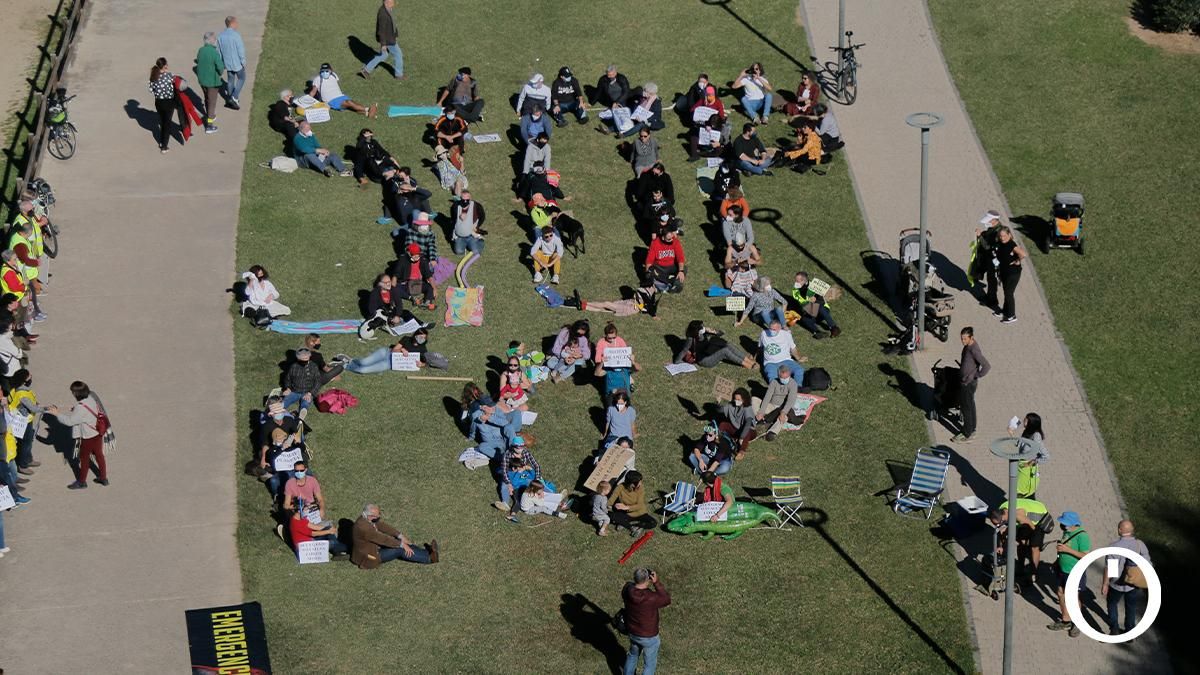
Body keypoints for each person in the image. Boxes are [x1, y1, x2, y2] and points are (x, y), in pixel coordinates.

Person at [47, 381, 109, 490]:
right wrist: (76, 409)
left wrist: (57, 414)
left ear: (76, 394)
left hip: (87, 437)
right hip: (97, 433)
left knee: (84, 459)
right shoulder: (91, 398)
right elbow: (86, 412)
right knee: (99, 455)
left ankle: (82, 482)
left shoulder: (80, 407)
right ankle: (103, 478)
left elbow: (70, 421)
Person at [1102, 520, 1151, 636]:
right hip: (1133, 584)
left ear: (1119, 530)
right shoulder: (1140, 544)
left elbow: (1111, 568)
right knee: (1131, 607)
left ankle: (1114, 629)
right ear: (1132, 531)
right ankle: (1129, 633)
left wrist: (1105, 584)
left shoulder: (1114, 547)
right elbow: (1147, 562)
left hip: (1116, 584)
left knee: (1112, 604)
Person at [351, 503, 439, 568]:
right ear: (371, 516)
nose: (379, 517)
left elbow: (382, 526)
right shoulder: (363, 527)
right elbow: (383, 539)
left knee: (400, 543)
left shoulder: (366, 518)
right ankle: (429, 558)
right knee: (400, 548)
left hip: (374, 547)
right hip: (370, 556)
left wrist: (400, 536)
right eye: (377, 516)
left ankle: (427, 552)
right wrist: (402, 544)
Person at [1047, 511, 1090, 638]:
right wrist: (1057, 561)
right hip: (1062, 570)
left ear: (1072, 524)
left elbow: (1086, 556)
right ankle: (1066, 620)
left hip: (1074, 571)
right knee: (1060, 592)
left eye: (1064, 523)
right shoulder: (1067, 532)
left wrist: (1067, 550)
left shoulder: (1082, 536)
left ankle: (1077, 623)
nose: (1061, 525)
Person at [621, 568, 671, 675]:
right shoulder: (651, 598)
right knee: (649, 664)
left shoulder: (627, 589)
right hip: (649, 636)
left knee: (632, 655)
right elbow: (666, 599)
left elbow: (629, 585)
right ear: (648, 579)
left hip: (633, 632)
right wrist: (656, 583)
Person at [954, 327, 990, 442]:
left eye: (965, 339)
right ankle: (972, 428)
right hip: (967, 381)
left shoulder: (974, 350)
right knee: (970, 404)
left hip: (968, 383)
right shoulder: (968, 347)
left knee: (966, 408)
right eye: (962, 338)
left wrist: (976, 375)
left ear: (971, 337)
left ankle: (967, 433)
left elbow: (986, 366)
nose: (962, 341)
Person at [673, 320, 754, 369]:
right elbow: (684, 351)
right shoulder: (691, 339)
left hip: (708, 351)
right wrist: (677, 361)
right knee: (724, 351)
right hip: (705, 360)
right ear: (696, 330)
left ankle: (747, 359)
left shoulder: (703, 333)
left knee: (727, 344)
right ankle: (746, 364)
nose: (703, 327)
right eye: (701, 327)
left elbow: (721, 333)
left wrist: (713, 331)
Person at [9, 369, 45, 475]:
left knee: (27, 441)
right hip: (23, 422)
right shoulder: (22, 394)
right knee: (25, 443)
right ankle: (23, 465)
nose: (31, 377)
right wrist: (46, 409)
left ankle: (28, 459)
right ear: (24, 381)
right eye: (29, 376)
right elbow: (33, 409)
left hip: (23, 420)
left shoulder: (19, 389)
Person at [308, 63, 376, 118]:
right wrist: (307, 101)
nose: (324, 72)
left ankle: (366, 114)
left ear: (331, 70)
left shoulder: (334, 75)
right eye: (322, 71)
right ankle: (367, 109)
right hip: (331, 100)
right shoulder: (317, 79)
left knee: (352, 105)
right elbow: (313, 92)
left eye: (326, 71)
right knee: (349, 102)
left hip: (341, 96)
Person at [754, 366, 801, 441]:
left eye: (786, 377)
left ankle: (772, 432)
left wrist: (783, 412)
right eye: (783, 378)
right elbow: (767, 397)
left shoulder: (793, 384)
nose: (785, 380)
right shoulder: (774, 382)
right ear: (778, 376)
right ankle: (757, 418)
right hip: (771, 405)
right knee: (753, 400)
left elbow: (790, 400)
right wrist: (761, 411)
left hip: (782, 408)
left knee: (783, 418)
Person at [495, 435, 542, 510]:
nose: (520, 448)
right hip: (510, 472)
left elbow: (536, 465)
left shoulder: (526, 452)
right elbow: (504, 470)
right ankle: (505, 503)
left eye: (522, 446)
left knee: (537, 482)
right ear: (513, 446)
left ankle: (550, 495)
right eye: (517, 447)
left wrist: (537, 478)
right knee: (504, 485)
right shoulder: (507, 454)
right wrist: (509, 483)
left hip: (522, 471)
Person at [360, 0, 404, 79]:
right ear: (386, 2)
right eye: (392, 1)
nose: (394, 2)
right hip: (388, 39)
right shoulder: (383, 14)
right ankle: (399, 75)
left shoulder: (388, 9)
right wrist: (383, 44)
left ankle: (366, 70)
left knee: (383, 55)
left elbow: (393, 23)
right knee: (398, 54)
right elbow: (381, 30)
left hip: (390, 37)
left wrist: (395, 34)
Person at [992, 226, 1027, 324]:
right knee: (1006, 292)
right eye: (1000, 236)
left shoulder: (1011, 244)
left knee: (1009, 293)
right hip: (1004, 272)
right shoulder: (1000, 243)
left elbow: (1023, 254)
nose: (1002, 238)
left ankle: (1012, 315)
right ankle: (1005, 310)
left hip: (1013, 273)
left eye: (1004, 236)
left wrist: (1017, 260)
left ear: (1009, 235)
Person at [791, 271, 840, 338]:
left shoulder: (815, 286)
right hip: (809, 311)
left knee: (820, 307)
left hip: (822, 311)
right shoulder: (795, 290)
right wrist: (810, 302)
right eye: (795, 280)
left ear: (805, 280)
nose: (796, 283)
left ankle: (834, 328)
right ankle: (817, 332)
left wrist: (816, 300)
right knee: (803, 319)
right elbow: (803, 304)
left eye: (798, 281)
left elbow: (822, 302)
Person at [282, 348, 330, 415]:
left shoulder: (313, 367)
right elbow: (288, 379)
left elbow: (318, 381)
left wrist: (310, 393)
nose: (304, 361)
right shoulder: (293, 367)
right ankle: (279, 411)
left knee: (305, 403)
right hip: (295, 391)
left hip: (307, 391)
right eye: (302, 360)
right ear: (298, 358)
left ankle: (302, 413)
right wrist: (288, 388)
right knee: (285, 401)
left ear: (309, 357)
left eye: (306, 359)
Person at [389, 243, 436, 310]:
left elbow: (428, 275)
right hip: (406, 284)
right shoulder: (402, 260)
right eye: (414, 255)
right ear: (409, 254)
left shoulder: (423, 260)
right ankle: (410, 298)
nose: (417, 257)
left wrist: (434, 288)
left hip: (418, 283)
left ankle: (427, 302)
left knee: (430, 287)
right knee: (395, 288)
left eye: (418, 255)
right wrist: (392, 289)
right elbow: (395, 275)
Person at [758, 318, 805, 383]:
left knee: (799, 370)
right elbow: (760, 347)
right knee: (772, 376)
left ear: (779, 328)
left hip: (786, 361)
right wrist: (757, 359)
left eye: (774, 329)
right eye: (770, 329)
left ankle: (798, 389)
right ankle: (778, 390)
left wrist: (798, 358)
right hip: (770, 363)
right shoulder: (763, 334)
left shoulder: (786, 334)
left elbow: (793, 348)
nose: (771, 331)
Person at [608, 470, 655, 536]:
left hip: (640, 512)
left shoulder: (640, 488)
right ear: (632, 483)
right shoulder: (620, 487)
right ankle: (631, 527)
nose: (640, 483)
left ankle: (634, 524)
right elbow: (611, 499)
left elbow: (640, 505)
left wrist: (626, 507)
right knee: (611, 515)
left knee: (653, 523)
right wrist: (603, 503)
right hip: (627, 514)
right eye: (639, 482)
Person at [148, 57, 180, 152]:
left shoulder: (153, 76)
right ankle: (164, 146)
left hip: (158, 102)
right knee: (167, 124)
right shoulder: (170, 76)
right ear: (165, 66)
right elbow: (178, 85)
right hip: (168, 102)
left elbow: (150, 90)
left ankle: (161, 141)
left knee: (162, 122)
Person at [195, 32, 225, 133]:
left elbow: (199, 60)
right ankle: (209, 125)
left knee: (207, 98)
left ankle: (210, 115)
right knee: (212, 102)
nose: (215, 40)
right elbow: (220, 67)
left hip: (202, 80)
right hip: (212, 81)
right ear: (211, 40)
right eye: (214, 39)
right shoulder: (214, 52)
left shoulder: (201, 50)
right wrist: (220, 73)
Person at [568, 286, 660, 319]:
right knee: (605, 308)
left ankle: (582, 302)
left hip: (631, 308)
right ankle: (583, 306)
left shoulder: (648, 293)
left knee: (606, 304)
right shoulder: (647, 290)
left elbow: (651, 307)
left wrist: (654, 315)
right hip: (630, 302)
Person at [972, 210, 1004, 301]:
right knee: (990, 280)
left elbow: (987, 247)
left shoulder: (998, 232)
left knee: (992, 280)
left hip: (994, 260)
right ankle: (989, 296)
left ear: (994, 220)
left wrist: (980, 236)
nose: (987, 223)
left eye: (989, 221)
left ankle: (992, 300)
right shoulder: (995, 228)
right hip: (990, 258)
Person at [644, 224, 686, 293]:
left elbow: (680, 257)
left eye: (672, 237)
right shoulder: (655, 243)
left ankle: (665, 284)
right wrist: (648, 273)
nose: (672, 239)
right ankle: (670, 283)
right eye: (669, 239)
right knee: (651, 272)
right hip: (659, 268)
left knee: (684, 269)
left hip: (671, 266)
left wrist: (681, 271)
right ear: (663, 237)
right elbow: (649, 261)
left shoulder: (675, 241)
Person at [217, 17, 247, 109]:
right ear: (232, 23)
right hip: (237, 63)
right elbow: (240, 50)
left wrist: (222, 62)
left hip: (227, 63)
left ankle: (229, 99)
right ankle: (234, 96)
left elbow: (219, 51)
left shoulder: (220, 36)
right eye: (236, 22)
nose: (237, 24)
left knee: (230, 80)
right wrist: (243, 61)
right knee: (242, 78)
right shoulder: (236, 35)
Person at [720, 387, 757, 458]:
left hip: (748, 431)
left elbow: (748, 424)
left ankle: (741, 451)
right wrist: (719, 402)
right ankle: (719, 438)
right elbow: (721, 410)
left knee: (747, 432)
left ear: (744, 399)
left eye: (739, 399)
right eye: (735, 399)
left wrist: (741, 437)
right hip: (736, 429)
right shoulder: (731, 405)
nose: (736, 401)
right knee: (723, 424)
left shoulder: (747, 408)